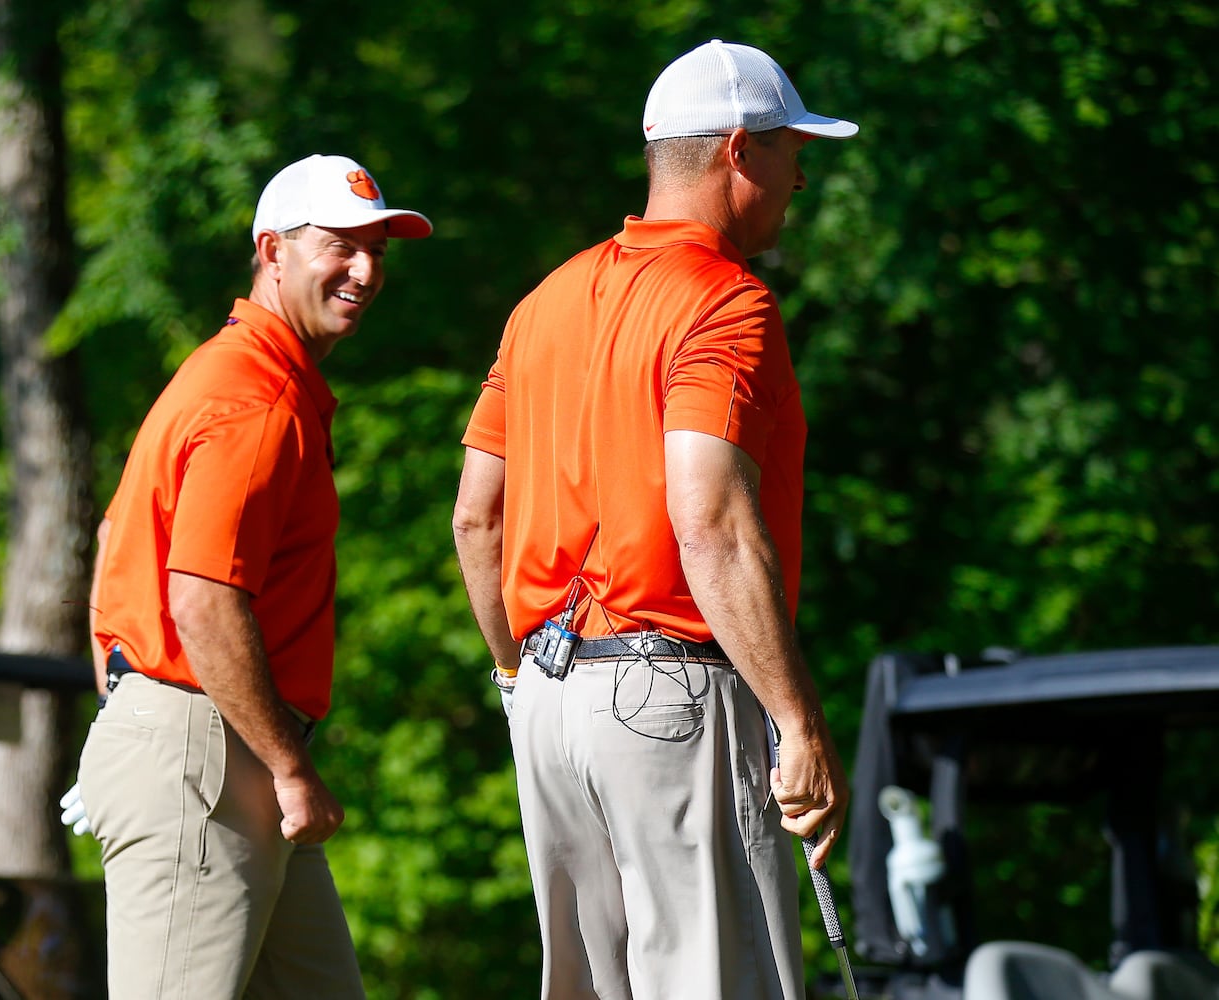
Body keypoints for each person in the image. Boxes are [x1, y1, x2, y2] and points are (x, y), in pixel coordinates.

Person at [451, 39, 856, 999]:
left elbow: (476, 519)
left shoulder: (542, 303)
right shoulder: (725, 300)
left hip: (546, 696)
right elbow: (708, 517)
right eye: (792, 148)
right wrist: (799, 721)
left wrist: (516, 676)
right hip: (670, 695)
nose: (801, 175)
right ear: (736, 151)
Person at [65, 153, 431, 1000]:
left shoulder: (241, 374)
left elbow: (116, 533)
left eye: (378, 248)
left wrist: (128, 699)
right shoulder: (255, 397)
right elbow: (200, 597)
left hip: (216, 746)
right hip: (210, 749)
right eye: (339, 245)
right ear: (272, 251)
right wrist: (276, 764)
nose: (366, 270)